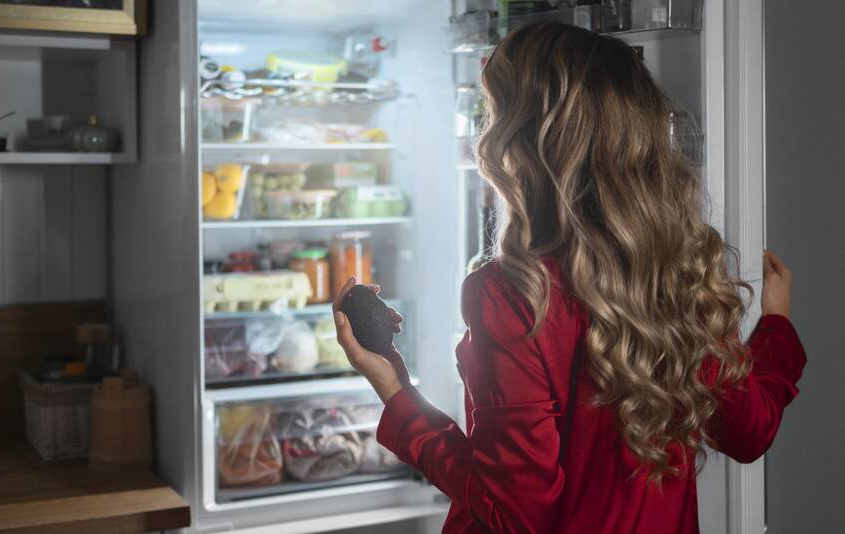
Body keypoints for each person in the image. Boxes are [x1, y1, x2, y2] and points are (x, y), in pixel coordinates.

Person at [331, 22, 806, 534]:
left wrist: (399, 396)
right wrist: (775, 326)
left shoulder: (510, 293)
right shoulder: (675, 275)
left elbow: (519, 512)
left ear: (520, 143)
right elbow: (750, 431)